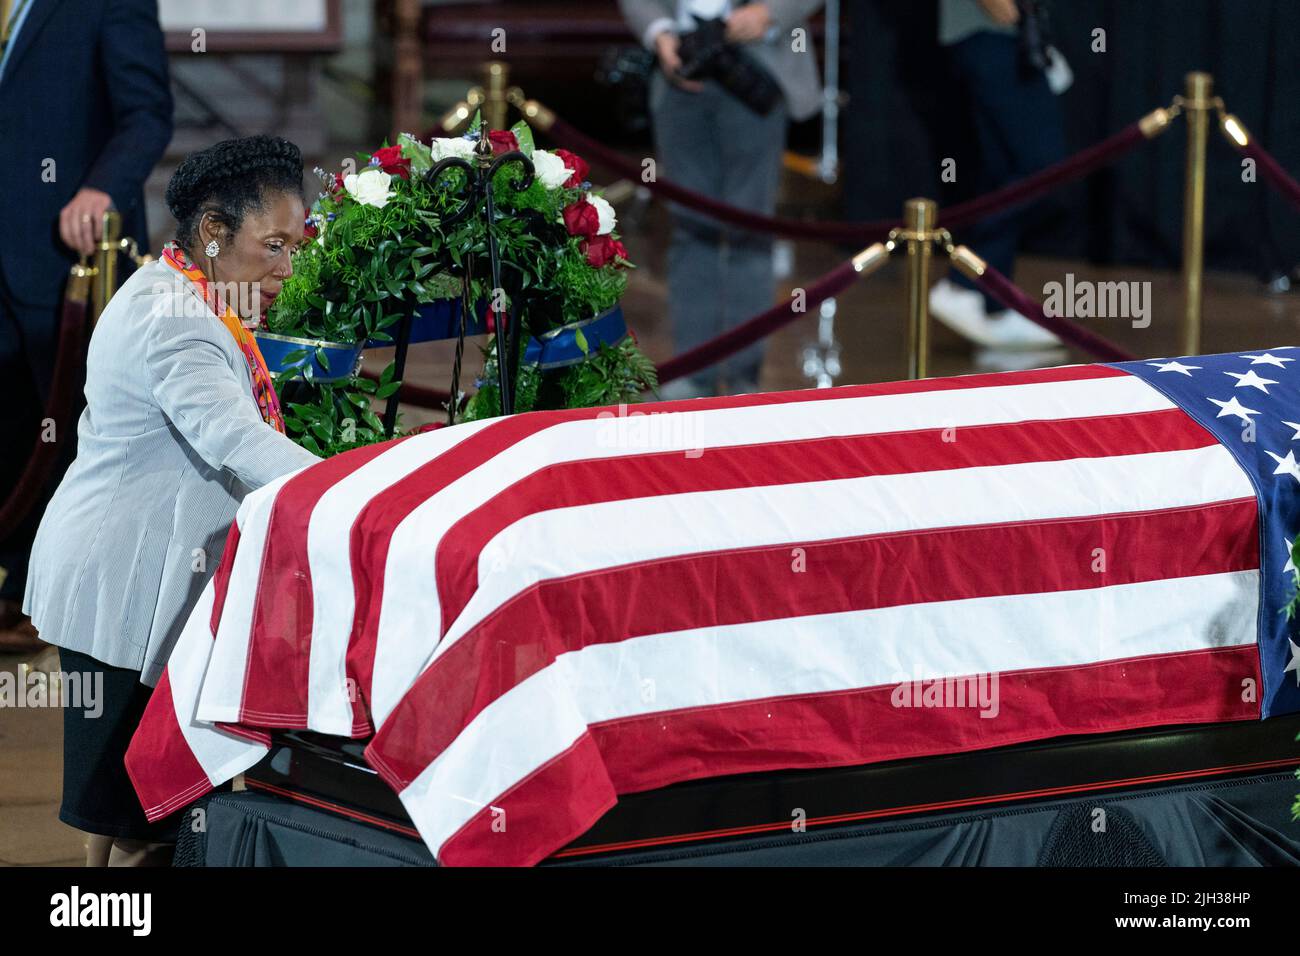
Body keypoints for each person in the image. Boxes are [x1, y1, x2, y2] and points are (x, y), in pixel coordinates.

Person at [22, 135, 321, 866]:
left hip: (134, 580)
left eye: (297, 246)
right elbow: (229, 435)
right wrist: (350, 490)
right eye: (273, 245)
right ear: (214, 233)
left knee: (119, 819)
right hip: (125, 585)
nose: (288, 268)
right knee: (143, 827)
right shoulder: (177, 320)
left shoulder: (186, 289)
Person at [0, 0, 174, 651]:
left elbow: (147, 114)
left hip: (65, 254)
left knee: (66, 425)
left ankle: (45, 597)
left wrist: (102, 189)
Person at [619, 0, 824, 398]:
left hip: (759, 65)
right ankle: (694, 371)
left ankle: (744, 378)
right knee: (689, 228)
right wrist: (660, 33)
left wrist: (769, 13)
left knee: (751, 229)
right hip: (677, 65)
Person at [928, 0, 1066, 350]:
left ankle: (991, 303)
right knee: (1042, 167)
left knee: (1004, 171)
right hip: (989, 28)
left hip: (1009, 31)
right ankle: (964, 283)